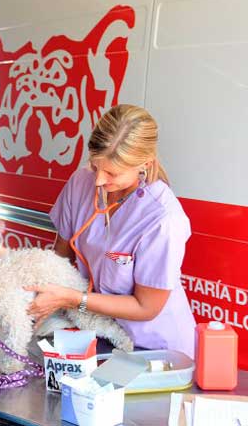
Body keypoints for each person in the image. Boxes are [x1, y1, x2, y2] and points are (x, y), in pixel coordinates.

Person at [26, 104, 196, 358]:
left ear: (143, 164)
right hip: (100, 336)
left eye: (112, 173)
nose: (99, 181)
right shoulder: (80, 182)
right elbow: (60, 258)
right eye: (95, 166)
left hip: (154, 348)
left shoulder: (163, 219)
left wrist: (72, 298)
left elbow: (145, 307)